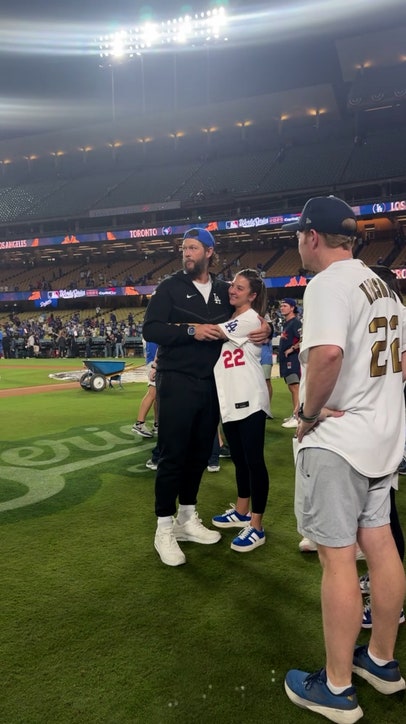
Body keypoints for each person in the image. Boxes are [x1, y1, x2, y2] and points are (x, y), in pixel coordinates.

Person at [281, 195, 406, 723]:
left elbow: (327, 355)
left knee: (336, 558)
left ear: (312, 236)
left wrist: (307, 414)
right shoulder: (385, 286)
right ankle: (380, 661)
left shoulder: (328, 284)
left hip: (340, 439)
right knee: (379, 546)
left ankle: (335, 689)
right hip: (382, 436)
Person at [143, 227, 270, 567]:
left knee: (200, 454)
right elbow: (150, 329)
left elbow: (250, 310)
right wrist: (190, 330)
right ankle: (164, 528)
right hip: (177, 381)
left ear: (210, 252)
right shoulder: (170, 287)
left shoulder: (223, 290)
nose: (187, 253)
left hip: (212, 384)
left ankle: (187, 518)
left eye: (194, 248)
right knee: (173, 455)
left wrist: (267, 326)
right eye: (184, 248)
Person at [211, 269, 270, 552]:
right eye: (232, 285)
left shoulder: (249, 319)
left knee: (254, 461)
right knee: (240, 460)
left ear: (253, 295)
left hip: (249, 397)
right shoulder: (233, 315)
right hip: (231, 398)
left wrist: (179, 326)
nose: (233, 290)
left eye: (240, 287)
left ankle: (257, 526)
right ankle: (242, 511)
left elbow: (213, 333)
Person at [278, 298, 301, 428]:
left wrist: (292, 348)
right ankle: (295, 413)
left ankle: (297, 416)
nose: (282, 308)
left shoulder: (295, 323)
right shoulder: (287, 323)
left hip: (293, 360)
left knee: (294, 387)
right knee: (291, 387)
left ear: (292, 308)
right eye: (281, 306)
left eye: (285, 306)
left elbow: (304, 338)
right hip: (286, 360)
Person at [132, 340, 159, 438]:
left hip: (153, 361)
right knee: (152, 393)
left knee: (157, 396)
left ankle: (157, 424)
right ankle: (139, 424)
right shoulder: (156, 329)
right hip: (155, 362)